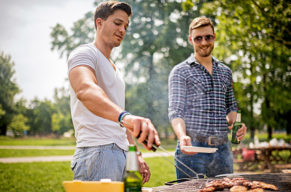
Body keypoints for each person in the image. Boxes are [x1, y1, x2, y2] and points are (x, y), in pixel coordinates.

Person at [68, 1, 160, 183]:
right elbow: (85, 90)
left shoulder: (115, 70)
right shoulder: (84, 53)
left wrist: (136, 154)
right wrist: (126, 117)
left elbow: (119, 118)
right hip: (97, 152)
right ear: (99, 23)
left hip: (119, 153)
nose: (122, 30)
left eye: (126, 26)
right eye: (117, 23)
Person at [168, 16, 247, 178]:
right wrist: (182, 136)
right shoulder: (180, 72)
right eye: (198, 38)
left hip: (223, 150)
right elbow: (176, 112)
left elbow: (231, 107)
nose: (204, 42)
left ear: (214, 37)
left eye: (208, 37)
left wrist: (238, 124)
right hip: (192, 150)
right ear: (191, 40)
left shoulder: (225, 71)